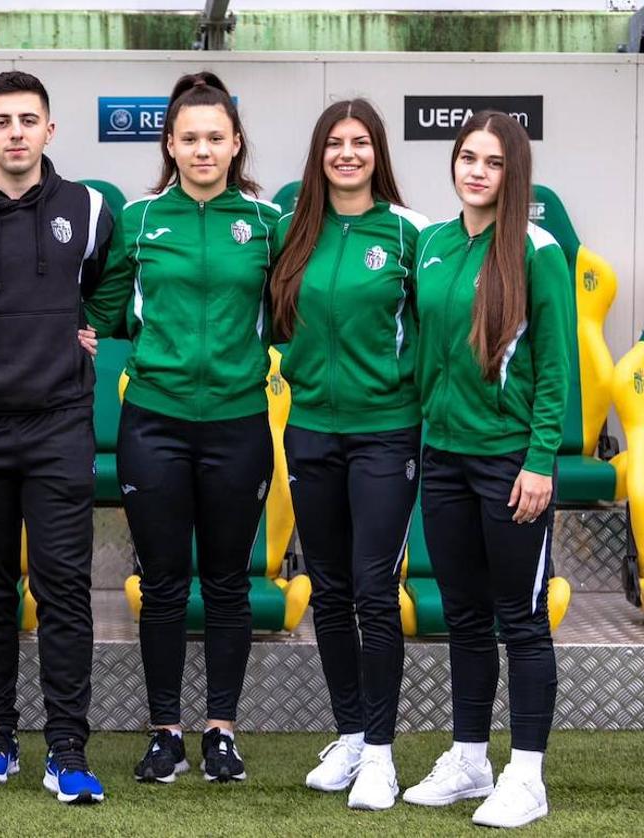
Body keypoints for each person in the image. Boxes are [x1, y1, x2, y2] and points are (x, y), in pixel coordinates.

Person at [0, 70, 121, 805]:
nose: (15, 132)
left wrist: (84, 331)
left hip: (60, 423)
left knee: (65, 590)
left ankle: (67, 749)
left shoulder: (89, 208)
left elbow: (114, 274)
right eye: (1, 120)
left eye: (27, 120)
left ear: (49, 130)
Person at [86, 71, 279, 785]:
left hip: (238, 424)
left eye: (215, 138)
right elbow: (102, 310)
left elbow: (293, 312)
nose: (203, 150)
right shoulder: (138, 220)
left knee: (227, 583)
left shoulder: (266, 225)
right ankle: (165, 731)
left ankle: (221, 732)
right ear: (169, 143)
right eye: (189, 138)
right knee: (163, 583)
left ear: (235, 144)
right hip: (155, 424)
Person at [402, 111, 570, 829]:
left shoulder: (536, 251)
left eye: (493, 162)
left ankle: (526, 776)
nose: (476, 171)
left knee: (522, 621)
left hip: (509, 462)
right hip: (442, 459)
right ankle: (470, 758)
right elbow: (416, 350)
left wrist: (539, 463)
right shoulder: (434, 244)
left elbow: (557, 370)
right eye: (468, 157)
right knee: (465, 618)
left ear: (513, 172)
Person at [269, 99, 428, 809]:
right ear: (319, 154)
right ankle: (354, 738)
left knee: (372, 588)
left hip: (385, 431)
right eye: (334, 143)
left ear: (378, 153)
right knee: (329, 590)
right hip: (310, 429)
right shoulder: (291, 232)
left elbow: (434, 325)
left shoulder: (407, 234)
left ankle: (384, 757)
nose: (346, 154)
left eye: (359, 143)